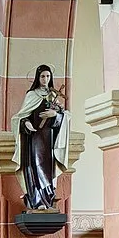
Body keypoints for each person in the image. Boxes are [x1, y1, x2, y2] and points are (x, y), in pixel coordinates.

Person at [15, 65, 70, 216]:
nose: (45, 79)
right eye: (42, 76)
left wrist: (55, 115)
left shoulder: (53, 96)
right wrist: (26, 123)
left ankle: (48, 200)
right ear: (37, 78)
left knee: (48, 168)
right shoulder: (32, 95)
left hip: (50, 139)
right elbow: (21, 116)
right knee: (36, 166)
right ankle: (37, 201)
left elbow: (65, 117)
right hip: (35, 138)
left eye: (48, 76)